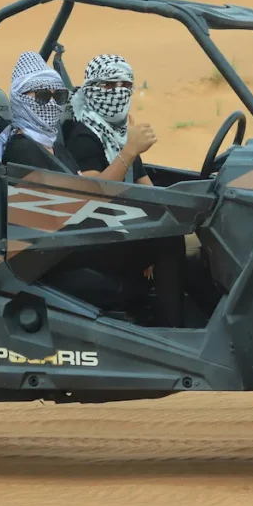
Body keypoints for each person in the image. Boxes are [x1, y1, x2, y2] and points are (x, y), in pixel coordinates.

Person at [63, 54, 187, 327]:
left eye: (125, 85)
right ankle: (172, 328)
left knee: (178, 236)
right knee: (168, 243)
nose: (117, 92)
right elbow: (95, 194)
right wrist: (129, 150)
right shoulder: (83, 135)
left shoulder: (118, 131)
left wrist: (167, 221)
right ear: (92, 89)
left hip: (118, 225)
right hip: (90, 234)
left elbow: (149, 191)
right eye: (108, 86)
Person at [0, 51, 77, 172]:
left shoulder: (56, 146)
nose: (52, 103)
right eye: (42, 95)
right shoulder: (23, 150)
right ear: (20, 98)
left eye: (59, 96)